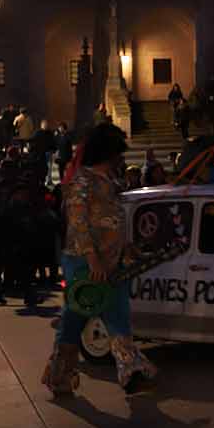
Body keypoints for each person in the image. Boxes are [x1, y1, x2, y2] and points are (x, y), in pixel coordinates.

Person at [41, 123, 157, 397]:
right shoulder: (83, 182)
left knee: (117, 315)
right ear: (108, 153)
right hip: (84, 263)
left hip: (112, 261)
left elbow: (112, 223)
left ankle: (130, 372)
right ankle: (60, 374)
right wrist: (92, 259)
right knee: (74, 319)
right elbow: (79, 223)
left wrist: (126, 248)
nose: (122, 158)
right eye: (118, 153)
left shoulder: (110, 183)